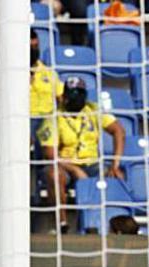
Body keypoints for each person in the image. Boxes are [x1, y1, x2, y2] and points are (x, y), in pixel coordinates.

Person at [37, 76, 125, 233]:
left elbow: (118, 130)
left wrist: (115, 164)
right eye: (73, 94)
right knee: (53, 174)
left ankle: (110, 224)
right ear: (64, 96)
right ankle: (62, 223)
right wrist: (74, 170)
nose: (76, 98)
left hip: (91, 163)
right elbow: (50, 154)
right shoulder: (53, 118)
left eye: (80, 93)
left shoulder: (93, 110)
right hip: (64, 164)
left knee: (116, 176)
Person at [30, 29, 62, 158]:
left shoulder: (49, 73)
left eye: (35, 46)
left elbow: (61, 98)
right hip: (22, 119)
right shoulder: (10, 74)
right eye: (30, 47)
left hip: (46, 120)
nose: (34, 50)